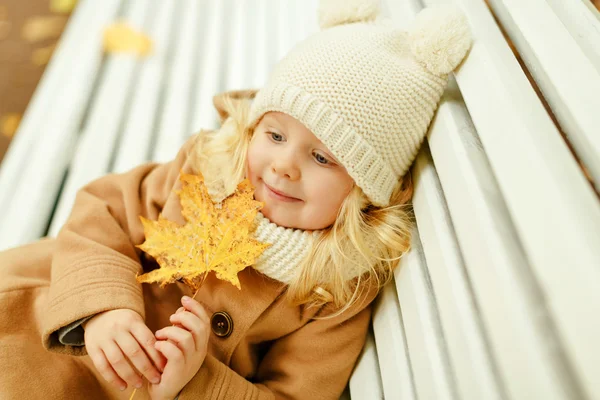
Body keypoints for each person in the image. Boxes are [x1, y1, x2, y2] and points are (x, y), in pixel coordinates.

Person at [0, 1, 472, 399]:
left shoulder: (335, 292)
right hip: (58, 325)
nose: (284, 165)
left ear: (365, 191)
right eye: (275, 133)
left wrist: (196, 382)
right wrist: (103, 309)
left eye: (322, 158)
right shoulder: (207, 172)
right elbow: (102, 210)